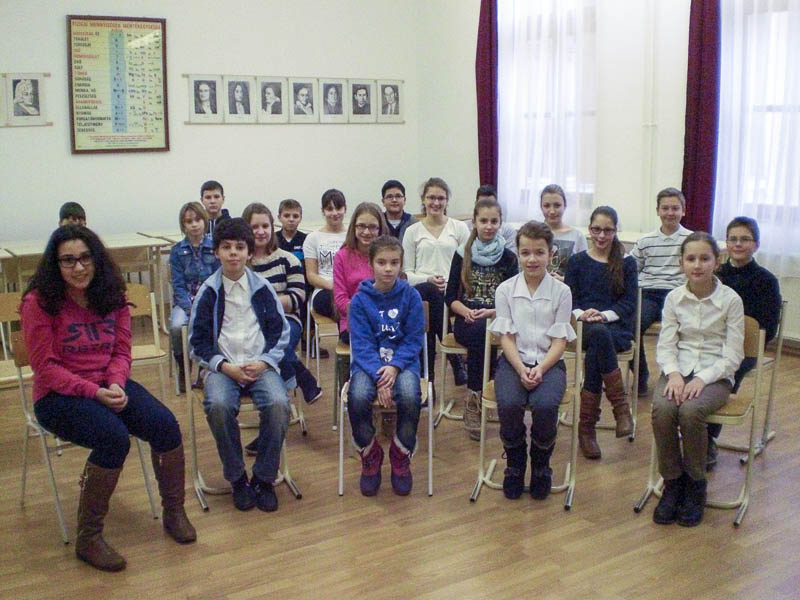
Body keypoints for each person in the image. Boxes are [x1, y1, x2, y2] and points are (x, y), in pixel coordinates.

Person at [20, 225, 196, 572]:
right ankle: (88, 538)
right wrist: (94, 392)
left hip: (108, 384)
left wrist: (115, 382)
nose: (79, 267)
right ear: (55, 264)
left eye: (85, 258)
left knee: (165, 424)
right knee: (113, 438)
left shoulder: (113, 293)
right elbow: (45, 368)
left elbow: (121, 351)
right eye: (68, 260)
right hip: (57, 396)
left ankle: (174, 511)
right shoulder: (38, 303)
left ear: (97, 259)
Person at [188, 218, 291, 513]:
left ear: (249, 253)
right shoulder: (209, 292)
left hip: (260, 365)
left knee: (278, 404)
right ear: (216, 252)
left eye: (240, 247)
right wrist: (222, 366)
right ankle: (237, 478)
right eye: (226, 247)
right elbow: (197, 342)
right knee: (218, 405)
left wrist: (265, 362)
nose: (233, 253)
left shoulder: (263, 288)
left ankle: (264, 478)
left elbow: (281, 332)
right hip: (223, 368)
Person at [651, 232, 744, 527]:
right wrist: (674, 375)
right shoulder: (674, 298)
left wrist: (701, 379)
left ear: (717, 262)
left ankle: (695, 484)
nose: (697, 264)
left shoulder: (731, 300)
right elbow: (666, 345)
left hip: (715, 375)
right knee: (663, 409)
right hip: (678, 371)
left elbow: (733, 355)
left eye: (705, 258)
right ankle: (672, 482)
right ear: (681, 263)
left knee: (691, 411)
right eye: (691, 259)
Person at [489, 221, 575, 500]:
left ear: (551, 254)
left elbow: (560, 340)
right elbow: (505, 337)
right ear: (517, 253)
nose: (532, 259)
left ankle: (541, 465)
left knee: (545, 405)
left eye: (539, 252)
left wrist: (540, 368)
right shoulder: (505, 290)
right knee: (509, 403)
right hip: (513, 361)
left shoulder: (562, 292)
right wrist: (520, 368)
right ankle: (515, 465)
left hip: (549, 363)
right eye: (525, 253)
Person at [348, 236, 424, 496]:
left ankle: (401, 453)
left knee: (411, 396)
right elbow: (361, 344)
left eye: (394, 262)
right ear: (371, 264)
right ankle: (370, 454)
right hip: (368, 365)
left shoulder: (411, 296)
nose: (388, 268)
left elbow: (414, 339)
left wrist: (394, 367)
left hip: (403, 364)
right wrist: (380, 376)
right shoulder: (360, 300)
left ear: (401, 264)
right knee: (358, 396)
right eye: (381, 262)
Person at [706, 216, 781, 468]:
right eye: (733, 239)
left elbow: (768, 328)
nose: (738, 244)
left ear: (756, 245)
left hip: (743, 350)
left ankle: (706, 439)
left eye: (745, 239)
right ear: (726, 243)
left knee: (723, 375)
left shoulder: (766, 281)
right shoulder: (714, 274)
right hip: (710, 344)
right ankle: (693, 430)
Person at [565, 206, 638, 459]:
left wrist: (604, 315)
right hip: (582, 326)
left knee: (599, 340)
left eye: (608, 230)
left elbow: (629, 303)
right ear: (589, 229)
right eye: (597, 229)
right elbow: (570, 299)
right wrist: (583, 314)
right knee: (597, 334)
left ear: (616, 231)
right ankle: (621, 409)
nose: (602, 235)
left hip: (614, 327)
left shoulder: (627, 263)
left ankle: (587, 429)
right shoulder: (577, 261)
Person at [445, 197, 518, 440]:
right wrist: (465, 311)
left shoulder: (509, 258)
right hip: (466, 320)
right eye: (483, 221)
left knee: (486, 331)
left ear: (500, 223)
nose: (488, 226)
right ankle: (479, 396)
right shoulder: (461, 254)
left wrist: (492, 312)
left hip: (497, 318)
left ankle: (478, 394)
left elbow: (513, 299)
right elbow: (450, 297)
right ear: (474, 223)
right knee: (480, 333)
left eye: (494, 221)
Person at [242, 202, 321, 404]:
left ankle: (282, 390)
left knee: (277, 341)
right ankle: (299, 378)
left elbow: (297, 297)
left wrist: (264, 304)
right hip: (251, 324)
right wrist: (271, 303)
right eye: (254, 227)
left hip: (288, 319)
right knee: (264, 340)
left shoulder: (288, 260)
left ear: (272, 227)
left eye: (265, 226)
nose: (261, 232)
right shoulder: (241, 264)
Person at [402, 177, 469, 389]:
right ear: (423, 199)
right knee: (428, 293)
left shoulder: (459, 228)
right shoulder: (412, 231)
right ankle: (455, 361)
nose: (436, 203)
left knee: (428, 317)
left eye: (441, 198)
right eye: (431, 197)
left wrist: (449, 283)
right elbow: (406, 273)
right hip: (421, 290)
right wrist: (427, 279)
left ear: (447, 200)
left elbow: (467, 267)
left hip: (453, 290)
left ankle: (427, 378)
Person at [631, 187, 692, 395]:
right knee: (631, 326)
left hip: (679, 295)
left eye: (675, 208)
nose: (670, 213)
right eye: (665, 208)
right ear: (657, 211)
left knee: (685, 331)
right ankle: (640, 375)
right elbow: (631, 270)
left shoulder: (692, 240)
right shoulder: (645, 241)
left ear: (683, 210)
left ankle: (677, 376)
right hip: (648, 294)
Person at [169, 202, 219, 392]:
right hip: (185, 301)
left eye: (198, 220)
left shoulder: (215, 246)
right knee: (176, 326)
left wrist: (204, 305)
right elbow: (178, 285)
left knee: (214, 323)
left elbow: (218, 278)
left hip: (209, 299)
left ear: (204, 221)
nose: (194, 224)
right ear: (183, 225)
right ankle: (184, 367)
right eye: (189, 221)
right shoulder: (176, 251)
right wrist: (190, 309)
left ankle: (205, 368)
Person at [334, 202, 388, 343]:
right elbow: (340, 300)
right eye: (361, 226)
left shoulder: (388, 255)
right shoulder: (341, 256)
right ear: (354, 227)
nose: (366, 232)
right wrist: (368, 313)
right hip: (355, 321)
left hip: (387, 319)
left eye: (372, 227)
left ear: (380, 228)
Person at [303, 189, 347, 324]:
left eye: (338, 208)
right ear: (323, 211)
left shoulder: (352, 236)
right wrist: (333, 286)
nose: (335, 213)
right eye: (329, 209)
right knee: (332, 302)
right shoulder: (312, 238)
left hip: (349, 287)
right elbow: (311, 275)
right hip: (325, 290)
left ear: (345, 208)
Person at [539, 184, 587, 279]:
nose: (552, 211)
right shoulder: (533, 234)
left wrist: (564, 280)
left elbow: (584, 272)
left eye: (557, 205)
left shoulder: (577, 236)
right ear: (541, 207)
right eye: (547, 206)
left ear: (565, 206)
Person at [468, 185, 517, 253]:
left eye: (491, 203)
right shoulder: (465, 228)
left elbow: (512, 255)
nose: (489, 227)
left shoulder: (508, 230)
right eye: (482, 204)